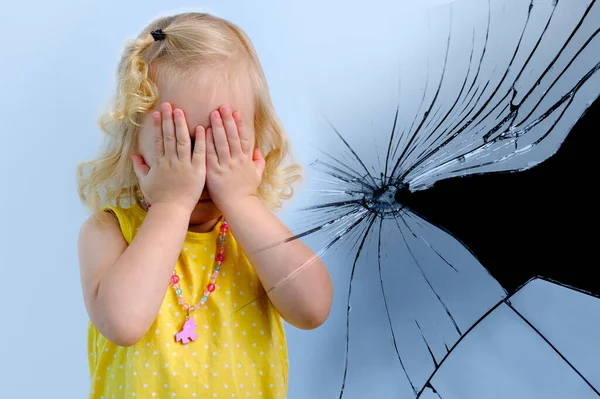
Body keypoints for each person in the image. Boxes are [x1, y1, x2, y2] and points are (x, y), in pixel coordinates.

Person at [77, 12, 333, 399]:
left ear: (257, 135)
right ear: (134, 141)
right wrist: (172, 205)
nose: (199, 168)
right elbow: (123, 323)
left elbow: (313, 309)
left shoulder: (256, 237)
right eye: (180, 145)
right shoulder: (110, 231)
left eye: (222, 143)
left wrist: (242, 201)